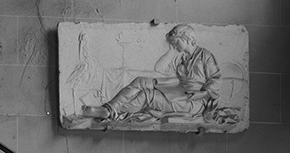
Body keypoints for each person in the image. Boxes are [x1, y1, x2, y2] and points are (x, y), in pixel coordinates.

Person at [87, 23, 232, 128]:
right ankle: (109, 107)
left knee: (147, 95)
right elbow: (159, 68)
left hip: (192, 101)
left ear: (187, 39)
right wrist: (171, 51)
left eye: (176, 42)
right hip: (177, 88)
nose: (174, 45)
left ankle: (111, 112)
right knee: (140, 81)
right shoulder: (181, 57)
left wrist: (203, 93)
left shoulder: (205, 55)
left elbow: (216, 79)